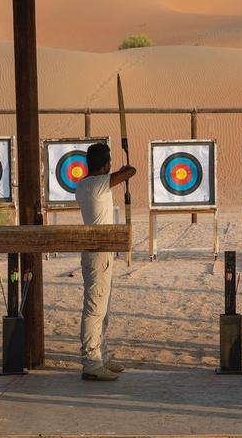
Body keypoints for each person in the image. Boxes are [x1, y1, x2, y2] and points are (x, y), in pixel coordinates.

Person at [75, 142, 136, 381]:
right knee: (95, 308)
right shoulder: (96, 184)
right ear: (105, 164)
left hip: (101, 252)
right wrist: (123, 168)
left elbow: (121, 174)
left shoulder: (84, 184)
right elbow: (131, 172)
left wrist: (117, 168)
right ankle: (91, 361)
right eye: (108, 162)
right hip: (98, 253)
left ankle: (101, 354)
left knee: (103, 309)